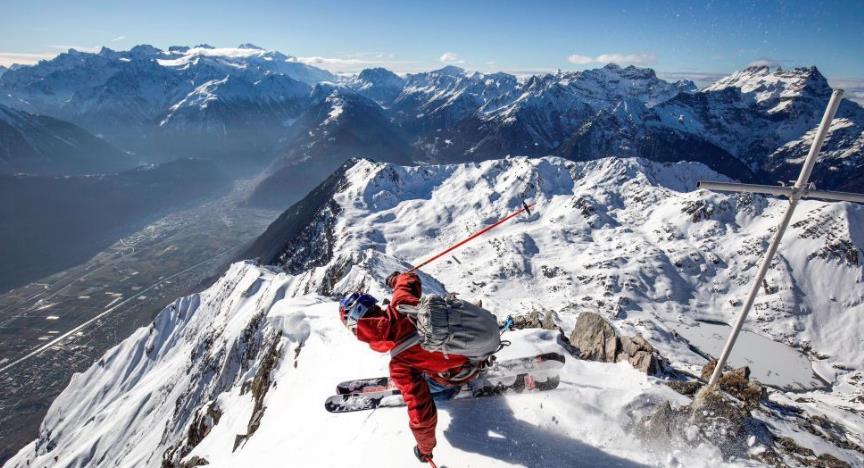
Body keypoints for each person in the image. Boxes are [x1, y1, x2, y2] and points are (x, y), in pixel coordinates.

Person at [339, 271, 483, 464]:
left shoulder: (400, 365)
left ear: (361, 330)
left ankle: (455, 388)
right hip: (476, 338)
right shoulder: (401, 303)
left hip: (464, 369)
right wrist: (394, 279)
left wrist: (424, 449)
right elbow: (409, 279)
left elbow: (422, 413)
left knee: (427, 390)